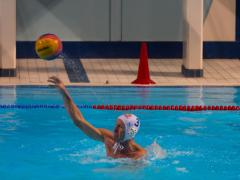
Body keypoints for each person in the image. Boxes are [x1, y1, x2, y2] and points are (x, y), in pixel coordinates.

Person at [48, 76, 146, 159]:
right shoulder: (109, 138)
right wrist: (64, 93)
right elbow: (79, 122)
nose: (115, 129)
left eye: (120, 127)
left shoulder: (137, 156)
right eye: (116, 125)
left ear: (130, 132)